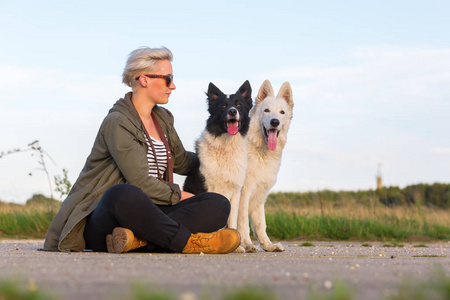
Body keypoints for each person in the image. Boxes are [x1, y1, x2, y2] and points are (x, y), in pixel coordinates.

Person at [43, 47, 240, 254]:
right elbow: (141, 182)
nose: (173, 86)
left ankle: (136, 241)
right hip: (109, 217)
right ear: (144, 79)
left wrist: (220, 152)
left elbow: (182, 162)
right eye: (168, 78)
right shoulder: (117, 122)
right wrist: (182, 196)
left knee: (218, 204)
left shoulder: (163, 119)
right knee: (123, 194)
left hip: (152, 214)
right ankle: (188, 242)